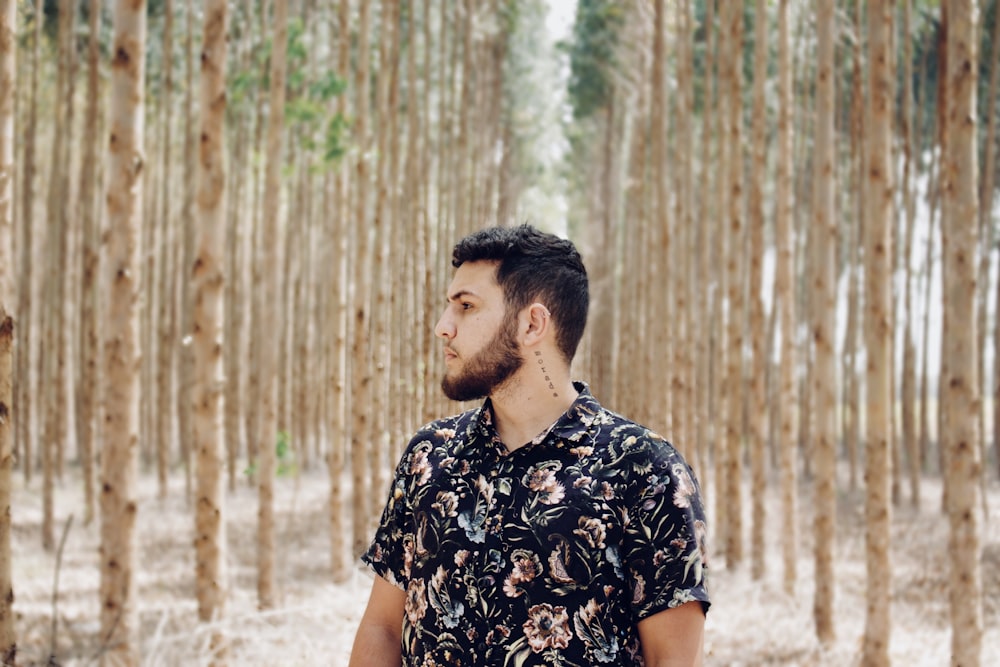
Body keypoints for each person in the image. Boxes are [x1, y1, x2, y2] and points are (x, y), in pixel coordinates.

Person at [349, 224, 710, 667]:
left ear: (532, 323)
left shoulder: (645, 470)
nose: (443, 327)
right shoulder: (429, 455)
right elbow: (382, 627)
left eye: (466, 307)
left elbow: (671, 659)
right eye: (450, 307)